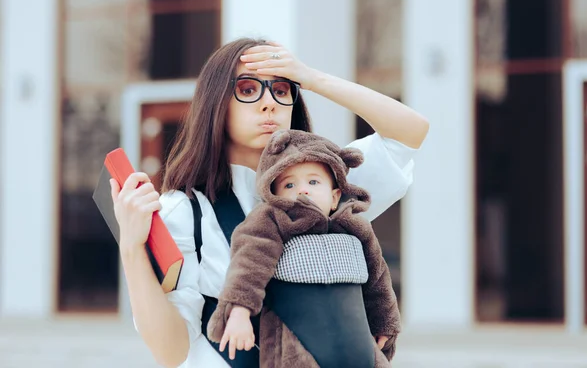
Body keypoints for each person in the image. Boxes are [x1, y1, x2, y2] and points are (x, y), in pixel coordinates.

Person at [110, 37, 429, 368]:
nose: (269, 104)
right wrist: (132, 250)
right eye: (247, 89)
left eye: (281, 89)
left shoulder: (322, 185)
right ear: (215, 103)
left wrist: (310, 78)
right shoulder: (186, 210)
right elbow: (171, 351)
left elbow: (410, 133)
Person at [206, 129, 401, 368]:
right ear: (274, 196)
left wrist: (384, 322)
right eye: (289, 184)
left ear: (334, 196)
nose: (302, 189)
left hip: (359, 349)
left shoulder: (354, 227)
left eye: (313, 181)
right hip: (296, 350)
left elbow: (378, 278)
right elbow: (249, 262)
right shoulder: (272, 220)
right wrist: (238, 311)